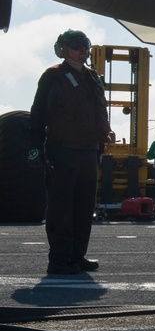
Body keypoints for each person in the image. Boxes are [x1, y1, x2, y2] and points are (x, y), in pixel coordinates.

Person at [28, 30, 113, 275]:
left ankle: (77, 256)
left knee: (84, 208)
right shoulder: (53, 76)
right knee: (61, 208)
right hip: (61, 150)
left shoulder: (92, 77)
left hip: (88, 151)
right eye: (76, 45)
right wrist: (35, 146)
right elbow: (38, 112)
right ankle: (59, 261)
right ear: (62, 49)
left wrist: (104, 135)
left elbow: (100, 112)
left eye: (85, 44)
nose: (83, 49)